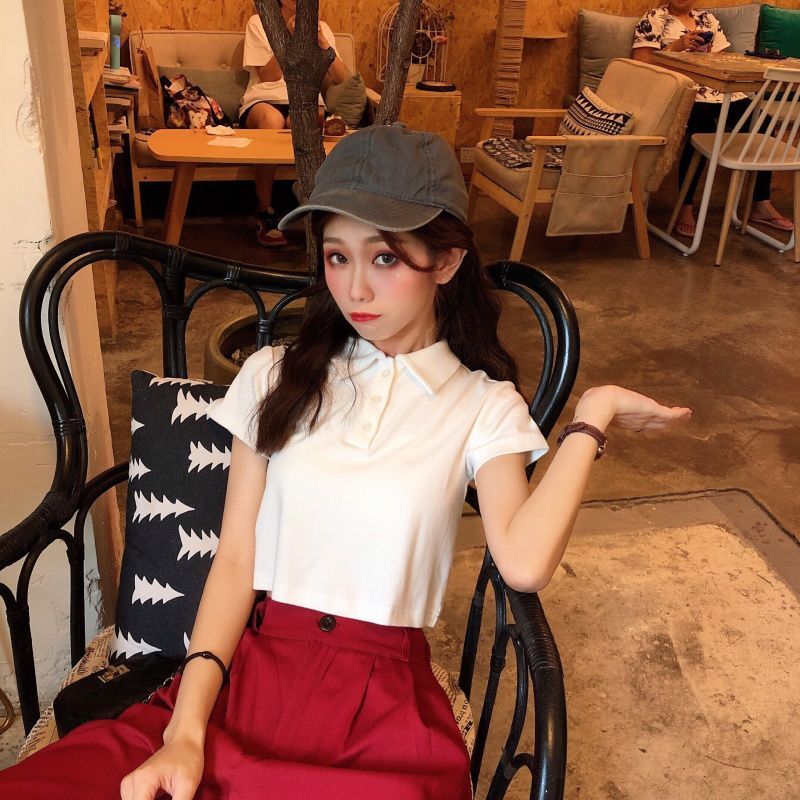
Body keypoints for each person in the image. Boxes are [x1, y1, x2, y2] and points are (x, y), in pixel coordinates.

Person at [0, 124, 691, 799]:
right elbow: (234, 560)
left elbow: (525, 563)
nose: (355, 288)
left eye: (384, 258)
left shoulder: (483, 405)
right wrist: (185, 729)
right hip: (243, 678)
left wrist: (592, 415)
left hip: (381, 714)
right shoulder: (275, 375)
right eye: (337, 256)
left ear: (447, 261)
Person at [632, 1, 794, 238]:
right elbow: (640, 64)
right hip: (684, 90)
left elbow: (722, 59)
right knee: (701, 127)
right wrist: (677, 45)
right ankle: (685, 207)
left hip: (717, 89)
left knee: (763, 122)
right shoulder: (654, 18)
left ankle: (761, 203)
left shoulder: (707, 19)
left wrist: (707, 55)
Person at [240, 0, 349, 247]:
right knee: (273, 120)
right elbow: (267, 76)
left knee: (308, 120)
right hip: (264, 99)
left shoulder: (322, 28)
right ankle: (264, 211)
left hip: (306, 99)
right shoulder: (259, 23)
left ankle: (316, 206)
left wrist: (322, 42)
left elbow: (341, 77)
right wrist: (288, 35)